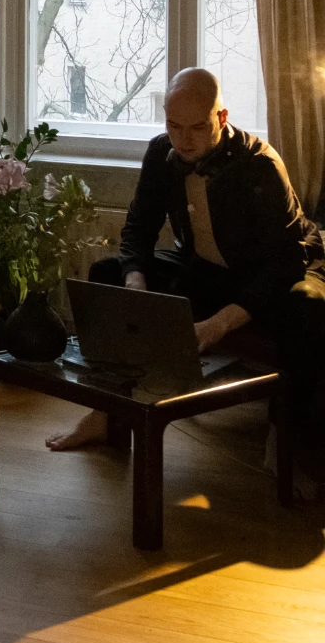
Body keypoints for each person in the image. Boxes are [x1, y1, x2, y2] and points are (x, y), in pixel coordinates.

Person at [46, 67, 325, 454]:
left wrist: (219, 324)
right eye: (174, 126)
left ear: (221, 118)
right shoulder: (163, 151)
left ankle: (287, 436)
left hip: (280, 272)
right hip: (207, 271)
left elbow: (286, 261)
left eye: (196, 128)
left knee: (307, 308)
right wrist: (135, 284)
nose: (183, 139)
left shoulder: (260, 164)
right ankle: (108, 413)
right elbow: (138, 229)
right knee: (107, 273)